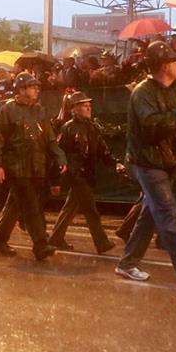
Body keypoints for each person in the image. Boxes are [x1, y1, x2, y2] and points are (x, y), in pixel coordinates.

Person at [114, 41, 176, 289]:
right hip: (147, 162)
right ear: (164, 65)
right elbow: (150, 127)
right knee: (167, 212)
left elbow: (174, 127)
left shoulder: (172, 92)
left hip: (163, 161)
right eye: (174, 60)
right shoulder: (142, 93)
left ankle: (127, 263)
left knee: (151, 213)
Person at [0, 71, 65, 261]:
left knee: (15, 205)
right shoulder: (8, 110)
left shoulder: (39, 111)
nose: (37, 90)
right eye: (32, 87)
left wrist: (60, 157)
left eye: (37, 87)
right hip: (16, 166)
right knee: (30, 204)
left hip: (36, 166)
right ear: (21, 90)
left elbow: (50, 138)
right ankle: (40, 244)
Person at [47, 91, 122, 255]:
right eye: (84, 105)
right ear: (74, 109)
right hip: (76, 175)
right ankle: (101, 242)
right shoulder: (68, 128)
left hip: (85, 174)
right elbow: (58, 153)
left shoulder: (92, 127)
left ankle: (56, 238)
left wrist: (115, 163)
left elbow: (103, 150)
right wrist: (56, 179)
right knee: (90, 209)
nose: (88, 108)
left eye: (89, 105)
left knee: (71, 207)